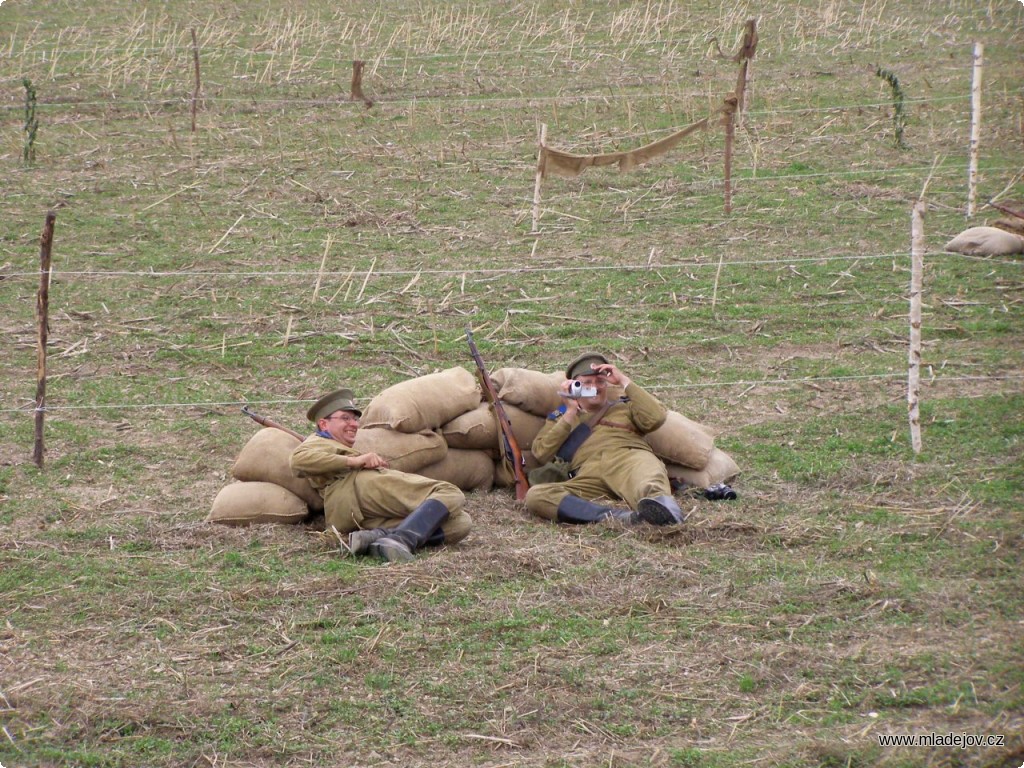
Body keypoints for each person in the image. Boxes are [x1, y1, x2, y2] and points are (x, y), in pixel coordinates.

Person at [290, 388, 471, 562]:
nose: (353, 424)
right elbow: (298, 460)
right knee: (448, 492)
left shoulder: (333, 444)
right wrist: (355, 461)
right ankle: (400, 540)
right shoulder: (318, 441)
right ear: (323, 424)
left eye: (354, 419)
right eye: (345, 418)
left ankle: (378, 537)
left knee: (460, 523)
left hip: (349, 511)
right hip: (359, 488)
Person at [525, 353, 687, 527]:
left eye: (600, 382)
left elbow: (656, 418)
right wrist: (570, 412)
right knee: (537, 496)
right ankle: (621, 518)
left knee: (649, 480)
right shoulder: (561, 417)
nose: (595, 387)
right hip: (588, 473)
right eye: (586, 383)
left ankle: (666, 514)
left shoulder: (624, 406)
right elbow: (541, 453)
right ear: (574, 387)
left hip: (628, 459)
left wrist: (624, 381)